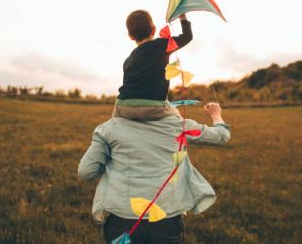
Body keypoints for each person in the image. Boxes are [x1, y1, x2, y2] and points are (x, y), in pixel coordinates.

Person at [78, 102, 231, 244]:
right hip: (166, 219)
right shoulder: (179, 125)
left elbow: (86, 171)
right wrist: (215, 114)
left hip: (122, 219)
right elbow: (221, 136)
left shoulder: (109, 129)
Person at [113, 10, 192, 120]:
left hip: (122, 106)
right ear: (154, 30)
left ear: (131, 36)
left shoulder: (128, 60)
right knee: (175, 113)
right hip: (152, 107)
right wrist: (182, 17)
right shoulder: (162, 45)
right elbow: (187, 36)